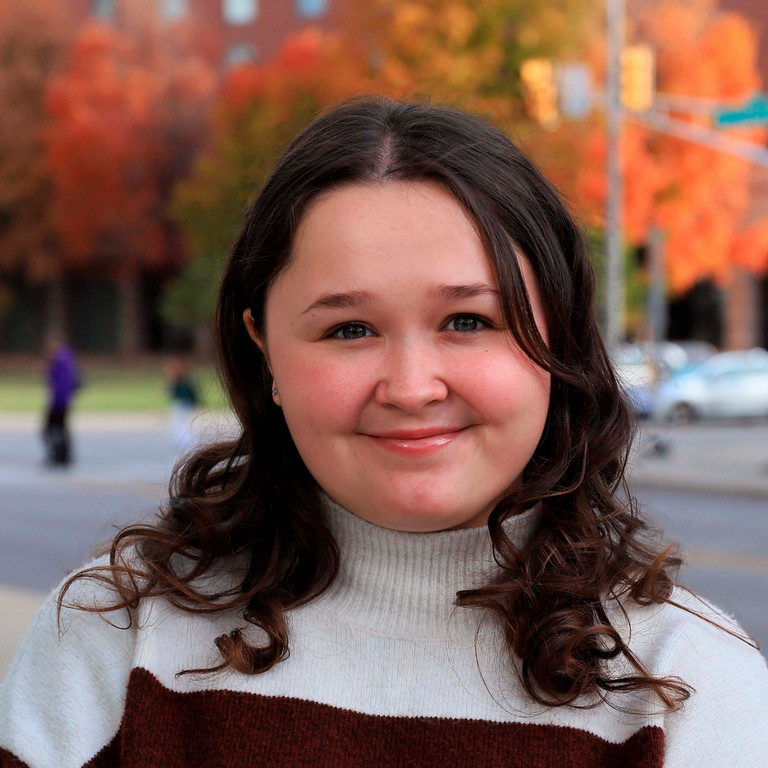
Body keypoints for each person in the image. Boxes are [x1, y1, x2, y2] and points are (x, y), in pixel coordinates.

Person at [1, 99, 766, 767]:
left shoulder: (687, 687)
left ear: (558, 340)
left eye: (469, 321)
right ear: (263, 348)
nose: (409, 387)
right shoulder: (115, 639)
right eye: (349, 329)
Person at [41, 334, 80, 466]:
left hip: (59, 401)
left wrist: (59, 401)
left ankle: (59, 455)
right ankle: (63, 455)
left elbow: (61, 383)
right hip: (62, 400)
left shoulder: (61, 359)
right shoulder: (64, 358)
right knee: (61, 428)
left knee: (50, 429)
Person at [163, 356, 200, 453]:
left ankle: (186, 442)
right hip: (181, 403)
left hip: (183, 404)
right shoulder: (181, 380)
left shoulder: (180, 381)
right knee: (179, 423)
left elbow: (169, 390)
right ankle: (183, 441)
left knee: (182, 423)